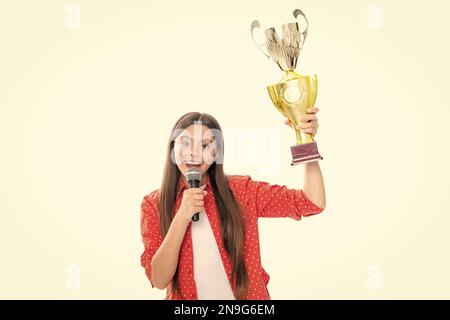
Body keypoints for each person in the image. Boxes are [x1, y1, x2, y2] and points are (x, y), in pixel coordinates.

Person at [140, 110, 326, 300]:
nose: (194, 153)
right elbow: (159, 279)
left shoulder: (242, 191)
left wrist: (306, 140)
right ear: (172, 147)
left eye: (205, 145)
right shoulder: (154, 204)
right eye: (186, 143)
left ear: (216, 153)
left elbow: (311, 201)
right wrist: (181, 217)